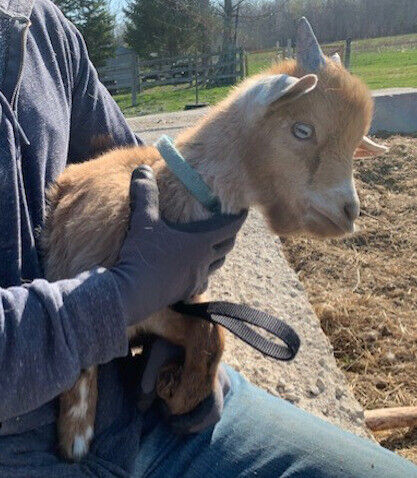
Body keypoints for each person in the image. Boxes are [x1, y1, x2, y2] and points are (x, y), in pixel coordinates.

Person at [0, 1, 416, 476]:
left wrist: (194, 333)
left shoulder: (43, 31)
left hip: (137, 409)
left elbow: (136, 171)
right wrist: (119, 300)